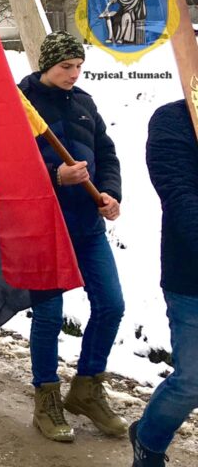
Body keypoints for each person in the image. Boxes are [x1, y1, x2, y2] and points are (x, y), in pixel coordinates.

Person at [19, 31, 125, 443]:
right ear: (46, 64)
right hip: (42, 226)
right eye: (66, 66)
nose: (74, 74)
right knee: (48, 315)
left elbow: (108, 152)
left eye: (79, 66)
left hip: (86, 225)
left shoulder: (84, 103)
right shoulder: (20, 104)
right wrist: (54, 176)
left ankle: (87, 388)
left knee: (112, 304)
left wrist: (111, 192)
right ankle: (46, 398)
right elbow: (5, 168)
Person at [129, 99, 198, 467]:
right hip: (191, 278)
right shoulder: (172, 120)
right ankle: (148, 439)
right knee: (193, 381)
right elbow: (178, 194)